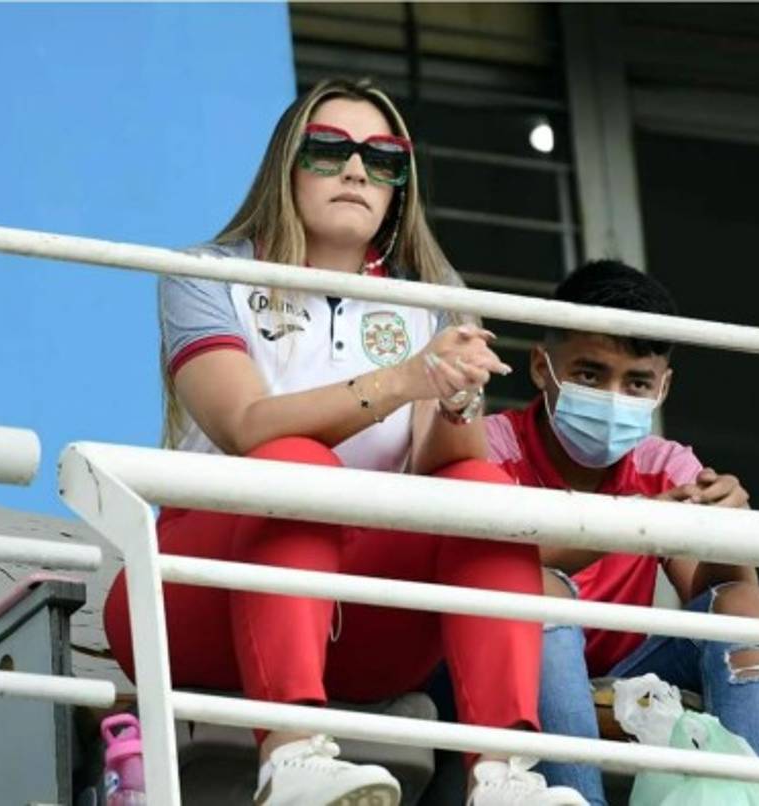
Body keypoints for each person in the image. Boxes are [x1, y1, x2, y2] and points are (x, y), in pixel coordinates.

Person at [101, 78, 586, 806]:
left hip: (359, 623)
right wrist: (405, 379)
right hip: (194, 597)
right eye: (329, 150)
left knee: (485, 491)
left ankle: (503, 776)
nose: (357, 170)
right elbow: (248, 425)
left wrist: (455, 397)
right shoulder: (209, 275)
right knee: (295, 462)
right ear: (286, 165)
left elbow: (447, 468)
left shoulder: (431, 294)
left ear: (399, 187)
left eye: (383, 158)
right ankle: (292, 757)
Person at [485, 259, 759, 806]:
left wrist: (729, 532)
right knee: (538, 587)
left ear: (663, 387)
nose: (613, 396)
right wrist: (636, 525)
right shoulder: (491, 447)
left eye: (636, 382)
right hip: (494, 666)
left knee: (746, 603)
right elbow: (494, 570)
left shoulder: (664, 462)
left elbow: (715, 599)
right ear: (541, 366)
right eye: (589, 374)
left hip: (625, 675)